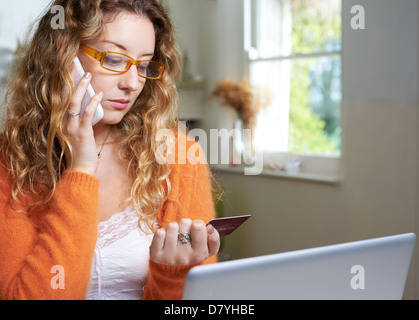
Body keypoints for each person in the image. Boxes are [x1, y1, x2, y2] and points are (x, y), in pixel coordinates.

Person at [0, 0, 220, 300]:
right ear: (64, 59)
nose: (133, 83)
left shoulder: (178, 155)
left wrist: (171, 277)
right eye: (114, 60)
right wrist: (80, 170)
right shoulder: (10, 161)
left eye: (143, 65)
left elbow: (202, 304)